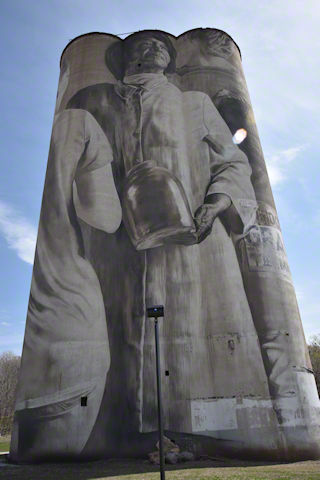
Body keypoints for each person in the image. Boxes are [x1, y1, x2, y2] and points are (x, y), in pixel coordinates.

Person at [65, 31, 266, 456]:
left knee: (189, 329)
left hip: (191, 242)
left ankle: (197, 433)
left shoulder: (194, 104)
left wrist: (214, 206)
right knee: (116, 335)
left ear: (169, 63)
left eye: (160, 46)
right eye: (140, 46)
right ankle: (124, 431)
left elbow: (232, 162)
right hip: (116, 246)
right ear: (126, 61)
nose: (151, 49)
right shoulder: (97, 103)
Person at [10, 109, 122, 461]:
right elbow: (106, 217)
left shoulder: (61, 128)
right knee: (61, 458)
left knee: (34, 461)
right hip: (73, 327)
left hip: (38, 346)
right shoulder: (80, 122)